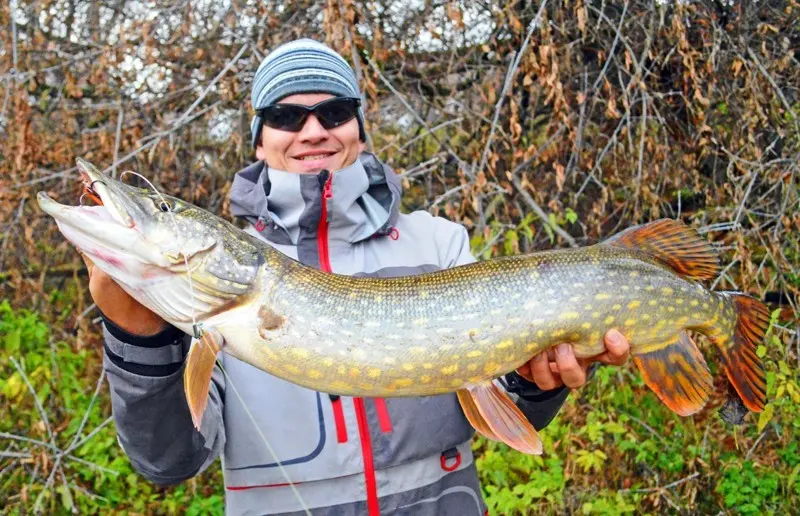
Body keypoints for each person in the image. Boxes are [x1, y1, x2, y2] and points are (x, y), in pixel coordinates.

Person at [87, 39, 629, 515]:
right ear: (260, 140)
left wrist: (537, 385)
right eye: (285, 116)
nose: (313, 131)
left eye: (335, 111)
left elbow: (508, 396)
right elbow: (167, 462)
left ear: (359, 131)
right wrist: (138, 339)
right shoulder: (203, 301)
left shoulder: (438, 244)